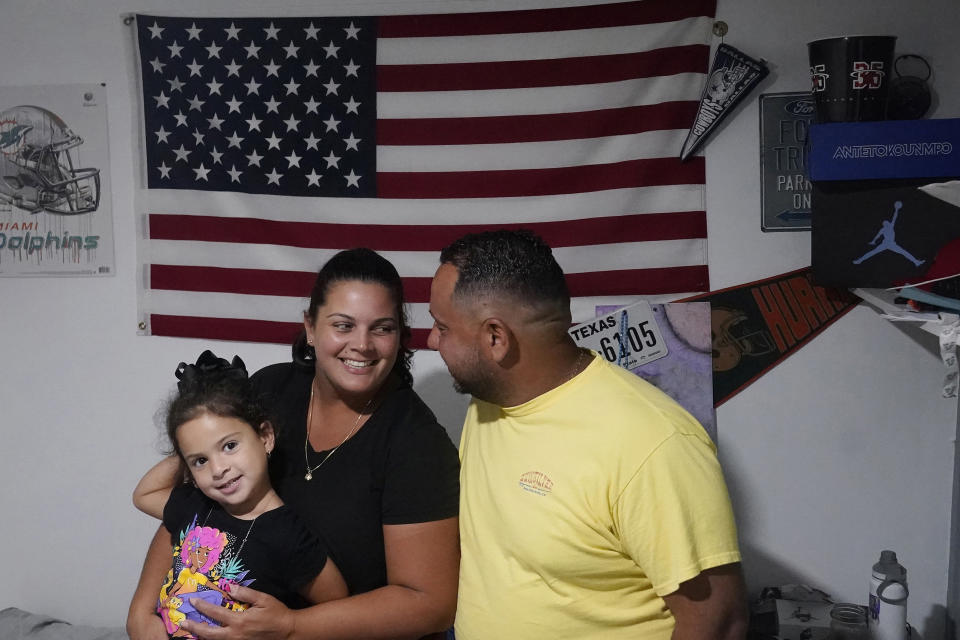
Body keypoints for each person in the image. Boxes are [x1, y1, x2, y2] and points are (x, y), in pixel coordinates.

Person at [426, 230, 749, 639]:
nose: (432, 340)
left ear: (495, 338)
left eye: (442, 327)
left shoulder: (654, 445)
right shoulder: (491, 398)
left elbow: (719, 624)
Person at [127, 249, 461, 640]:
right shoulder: (270, 389)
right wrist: (142, 612)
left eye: (382, 328)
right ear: (310, 327)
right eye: (343, 325)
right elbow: (197, 506)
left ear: (400, 337)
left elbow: (430, 604)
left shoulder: (416, 441)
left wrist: (290, 627)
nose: (362, 344)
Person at [131, 350, 348, 638]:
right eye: (200, 461)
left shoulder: (288, 535)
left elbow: (339, 607)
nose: (218, 469)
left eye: (229, 446)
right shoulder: (195, 504)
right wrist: (192, 439)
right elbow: (143, 494)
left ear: (265, 437)